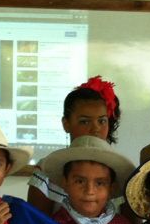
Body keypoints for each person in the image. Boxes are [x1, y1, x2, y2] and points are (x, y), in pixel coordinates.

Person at [27, 75, 121, 216]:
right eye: (84, 121)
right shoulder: (46, 170)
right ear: (66, 124)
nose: (95, 129)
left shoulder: (120, 169)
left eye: (102, 121)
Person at [42, 135, 136, 224]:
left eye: (100, 183)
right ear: (65, 183)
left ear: (112, 188)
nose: (89, 191)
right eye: (80, 181)